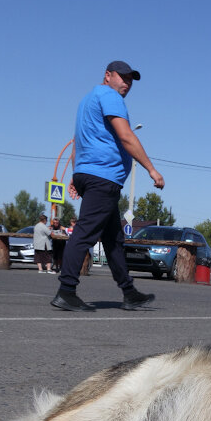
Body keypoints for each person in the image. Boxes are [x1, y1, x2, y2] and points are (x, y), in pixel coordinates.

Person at [53, 60, 162, 312]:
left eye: (130, 80)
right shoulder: (110, 97)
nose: (127, 83)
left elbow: (77, 140)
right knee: (84, 234)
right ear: (107, 76)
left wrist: (75, 174)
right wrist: (151, 169)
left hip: (88, 172)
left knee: (113, 240)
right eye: (122, 77)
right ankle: (66, 290)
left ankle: (129, 292)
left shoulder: (87, 100)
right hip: (103, 177)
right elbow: (126, 136)